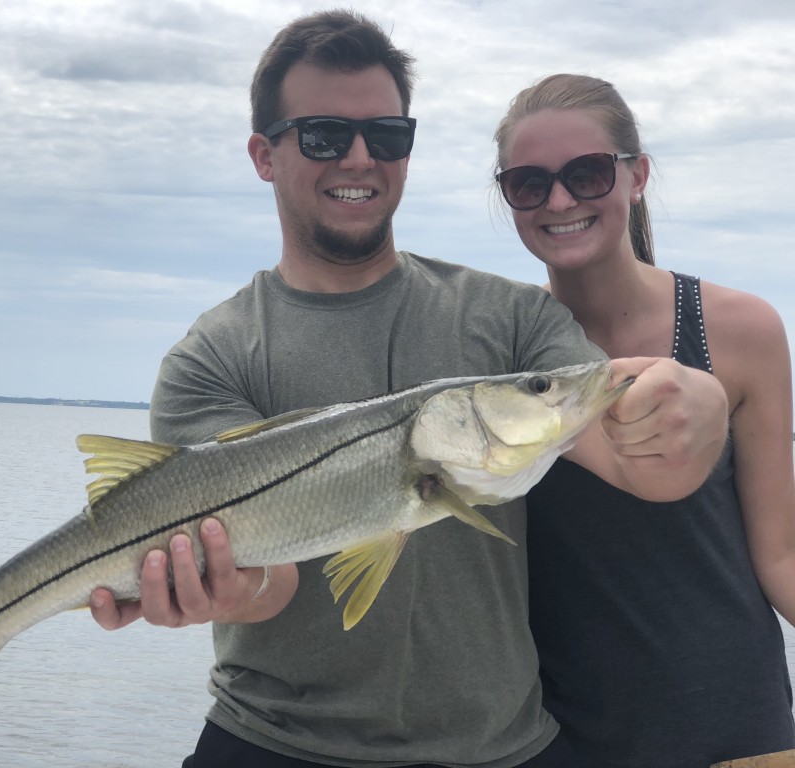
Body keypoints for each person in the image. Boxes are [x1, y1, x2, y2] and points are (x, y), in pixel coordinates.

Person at [90, 13, 728, 767]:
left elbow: (643, 463)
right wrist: (226, 591)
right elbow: (273, 583)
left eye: (387, 136)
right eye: (325, 135)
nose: (360, 157)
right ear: (264, 155)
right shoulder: (213, 357)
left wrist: (703, 407)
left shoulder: (516, 318)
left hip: (503, 750)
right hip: (269, 742)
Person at [493, 73, 795, 767]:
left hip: (736, 730)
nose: (560, 200)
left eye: (588, 173)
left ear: (637, 177)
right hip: (553, 737)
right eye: (529, 183)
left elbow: (779, 554)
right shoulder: (500, 351)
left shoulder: (740, 328)